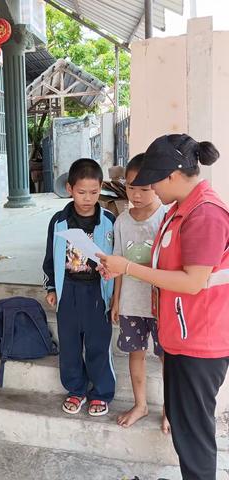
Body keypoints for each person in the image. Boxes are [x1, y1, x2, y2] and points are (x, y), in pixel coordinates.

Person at [98, 134, 229, 480]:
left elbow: (192, 282)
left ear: (171, 175)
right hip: (183, 336)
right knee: (187, 433)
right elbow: (163, 263)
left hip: (200, 341)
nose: (151, 188)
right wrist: (117, 263)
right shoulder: (182, 211)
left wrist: (126, 268)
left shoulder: (205, 215)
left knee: (194, 438)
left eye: (153, 180)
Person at [43, 158, 116, 417]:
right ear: (70, 188)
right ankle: (76, 389)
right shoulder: (59, 221)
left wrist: (115, 298)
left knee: (98, 344)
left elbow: (116, 260)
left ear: (101, 189)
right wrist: (52, 288)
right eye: (81, 192)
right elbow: (50, 259)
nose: (87, 198)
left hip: (97, 292)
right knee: (71, 345)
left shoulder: (109, 221)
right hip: (69, 291)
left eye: (94, 192)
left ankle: (101, 392)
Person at [110, 154, 169, 431]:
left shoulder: (166, 218)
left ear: (158, 185)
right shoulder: (121, 221)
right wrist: (116, 300)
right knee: (135, 353)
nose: (137, 194)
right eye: (132, 187)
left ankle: (170, 409)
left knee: (166, 357)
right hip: (132, 303)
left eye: (144, 188)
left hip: (161, 304)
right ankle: (141, 405)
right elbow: (118, 263)